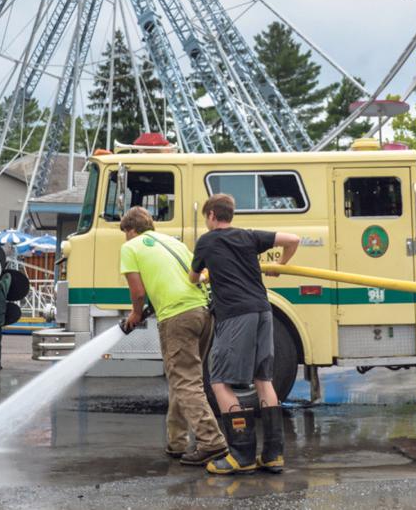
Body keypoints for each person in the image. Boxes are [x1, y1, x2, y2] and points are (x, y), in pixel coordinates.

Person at [188, 193, 300, 475]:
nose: (207, 222)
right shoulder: (249, 237)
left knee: (219, 381)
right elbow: (293, 240)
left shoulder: (207, 241)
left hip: (236, 315)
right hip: (264, 311)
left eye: (206, 217)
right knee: (263, 378)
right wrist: (282, 267)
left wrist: (204, 275)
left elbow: (193, 277)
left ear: (212, 215)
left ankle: (241, 454)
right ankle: (273, 455)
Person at [119, 207, 227, 466]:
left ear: (131, 230)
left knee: (186, 382)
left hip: (177, 318)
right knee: (185, 378)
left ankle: (211, 442)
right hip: (202, 313)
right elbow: (197, 275)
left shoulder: (131, 247)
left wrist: (135, 314)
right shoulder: (173, 243)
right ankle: (177, 442)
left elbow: (138, 291)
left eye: (125, 232)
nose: (125, 238)